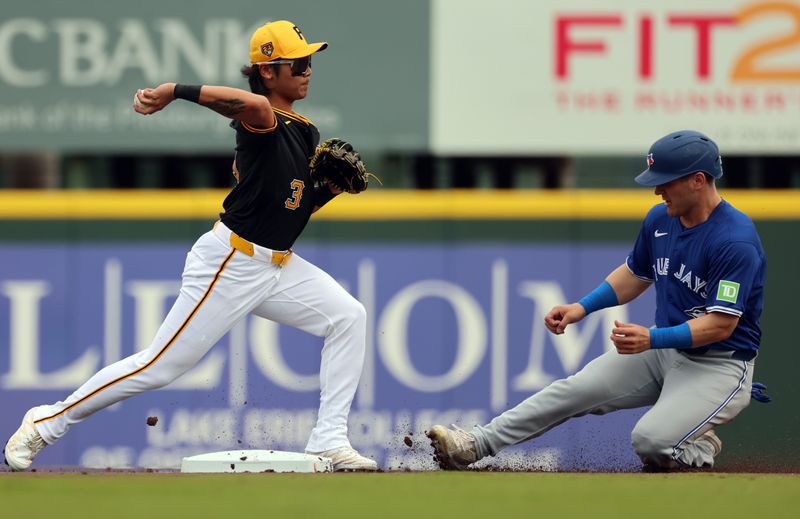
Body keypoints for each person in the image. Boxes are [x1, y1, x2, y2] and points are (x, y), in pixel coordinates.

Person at [4, 20, 377, 472]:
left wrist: (327, 192)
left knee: (348, 317)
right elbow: (244, 103)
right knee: (159, 366)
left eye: (309, 61)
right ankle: (45, 423)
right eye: (296, 63)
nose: (307, 70)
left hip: (277, 266)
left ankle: (329, 440)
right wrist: (175, 90)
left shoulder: (304, 131)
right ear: (267, 71)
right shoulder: (261, 115)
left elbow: (289, 208)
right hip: (232, 260)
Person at [428, 130, 766, 470]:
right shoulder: (660, 219)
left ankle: (694, 439)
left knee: (651, 442)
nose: (657, 189)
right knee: (574, 390)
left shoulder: (734, 240)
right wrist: (582, 307)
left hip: (719, 365)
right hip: (664, 351)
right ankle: (474, 444)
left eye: (666, 181)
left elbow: (722, 324)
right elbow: (635, 275)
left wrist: (650, 338)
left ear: (697, 180)